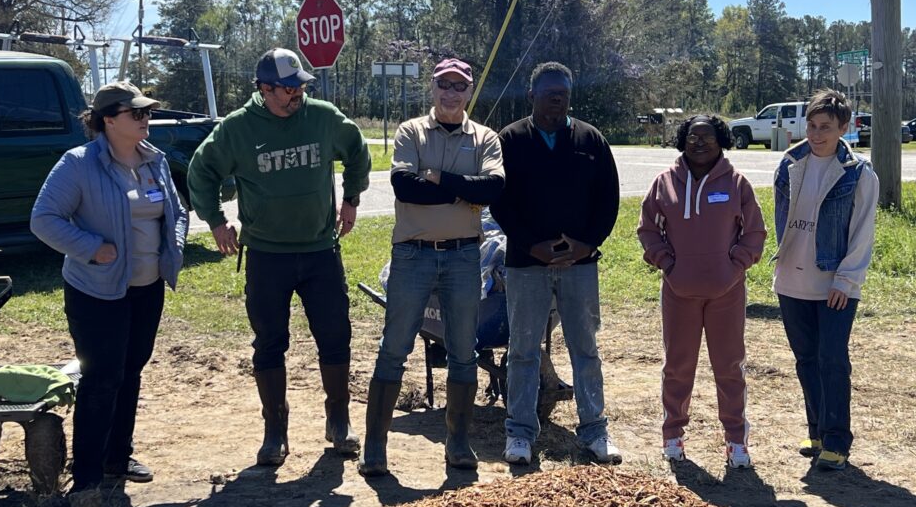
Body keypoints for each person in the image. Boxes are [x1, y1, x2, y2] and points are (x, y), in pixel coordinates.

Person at [186, 47, 371, 467]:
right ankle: (275, 429)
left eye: (301, 86)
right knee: (269, 343)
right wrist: (215, 221)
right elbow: (202, 170)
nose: (297, 94)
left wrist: (352, 198)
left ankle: (338, 419)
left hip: (321, 250)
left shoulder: (322, 116)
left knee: (335, 333)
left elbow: (356, 149)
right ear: (265, 89)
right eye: (288, 88)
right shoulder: (238, 128)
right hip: (267, 255)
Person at [31, 81, 188, 507]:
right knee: (101, 378)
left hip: (146, 287)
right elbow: (43, 219)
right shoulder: (78, 164)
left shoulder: (153, 161)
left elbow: (177, 211)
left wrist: (171, 247)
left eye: (147, 112)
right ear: (108, 120)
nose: (145, 119)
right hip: (96, 291)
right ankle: (86, 479)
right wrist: (90, 247)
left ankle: (117, 458)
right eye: (136, 113)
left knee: (131, 369)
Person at [359, 57, 505, 476]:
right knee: (393, 351)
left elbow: (493, 187)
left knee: (464, 352)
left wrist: (438, 177)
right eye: (444, 84)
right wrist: (464, 192)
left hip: (463, 257)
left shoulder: (485, 138)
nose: (450, 93)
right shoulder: (410, 131)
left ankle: (458, 444)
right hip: (413, 255)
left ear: (469, 91)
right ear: (433, 87)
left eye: (459, 86)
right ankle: (375, 448)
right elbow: (404, 186)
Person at [490, 61, 622, 466]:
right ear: (531, 96)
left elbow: (608, 199)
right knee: (523, 349)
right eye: (548, 92)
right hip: (526, 263)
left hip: (579, 265)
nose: (556, 98)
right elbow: (500, 201)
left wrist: (586, 245)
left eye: (562, 93)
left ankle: (595, 431)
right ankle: (520, 432)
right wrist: (533, 246)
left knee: (586, 347)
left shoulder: (590, 140)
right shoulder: (510, 140)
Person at [637, 114, 767, 468]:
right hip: (679, 291)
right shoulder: (665, 182)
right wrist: (666, 263)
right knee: (678, 367)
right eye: (693, 137)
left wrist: (735, 266)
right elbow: (648, 228)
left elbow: (754, 232)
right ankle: (673, 436)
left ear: (721, 140)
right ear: (683, 139)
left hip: (727, 292)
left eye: (708, 137)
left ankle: (736, 441)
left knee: (729, 367)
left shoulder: (737, 183)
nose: (699, 143)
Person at [773, 89, 878, 471]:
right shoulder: (789, 163)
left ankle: (836, 441)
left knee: (832, 360)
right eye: (812, 126)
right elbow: (781, 221)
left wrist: (846, 281)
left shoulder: (859, 173)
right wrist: (779, 266)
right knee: (806, 360)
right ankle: (816, 431)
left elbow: (863, 231)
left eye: (826, 127)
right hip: (790, 281)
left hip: (834, 285)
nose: (816, 135)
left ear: (844, 128)